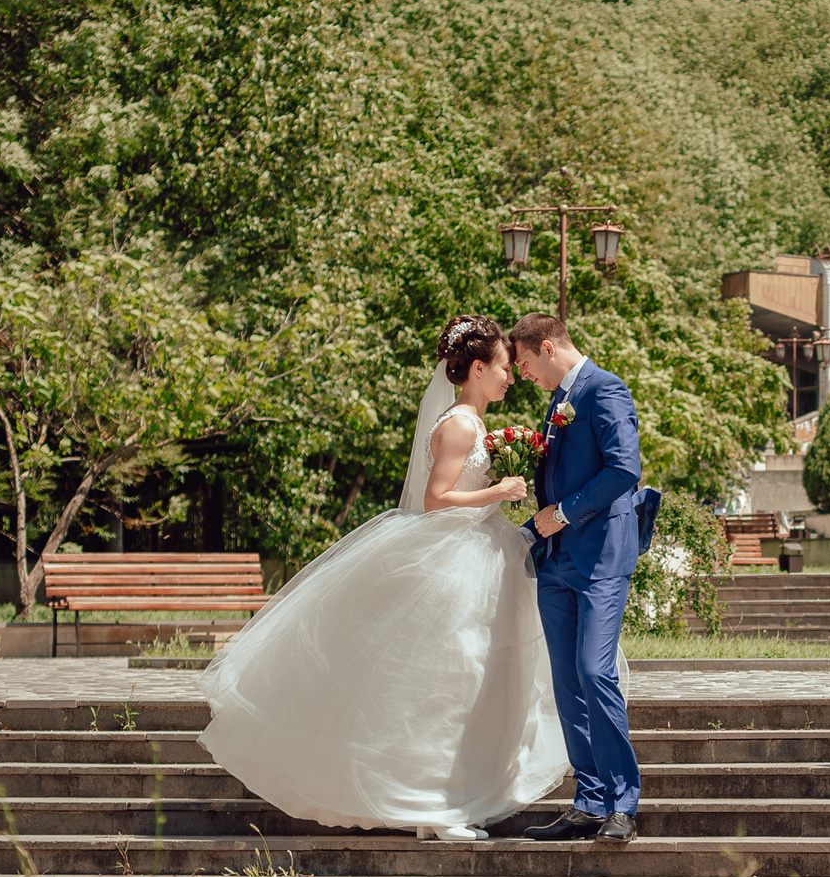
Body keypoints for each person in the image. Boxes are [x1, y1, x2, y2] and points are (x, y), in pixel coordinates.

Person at [197, 315, 569, 842]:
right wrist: (498, 491)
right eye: (506, 367)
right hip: (453, 563)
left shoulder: (474, 422)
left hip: (475, 555)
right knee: (449, 685)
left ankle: (438, 806)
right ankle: (436, 808)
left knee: (462, 686)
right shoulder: (461, 424)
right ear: (479, 368)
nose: (511, 377)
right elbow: (435, 501)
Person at [507, 311, 660, 845]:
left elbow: (624, 469)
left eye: (525, 363)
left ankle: (623, 802)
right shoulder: (556, 402)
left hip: (599, 557)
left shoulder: (606, 389)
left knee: (595, 673)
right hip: (556, 562)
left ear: (548, 347)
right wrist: (534, 529)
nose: (523, 375)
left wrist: (565, 512)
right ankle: (589, 800)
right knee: (567, 683)